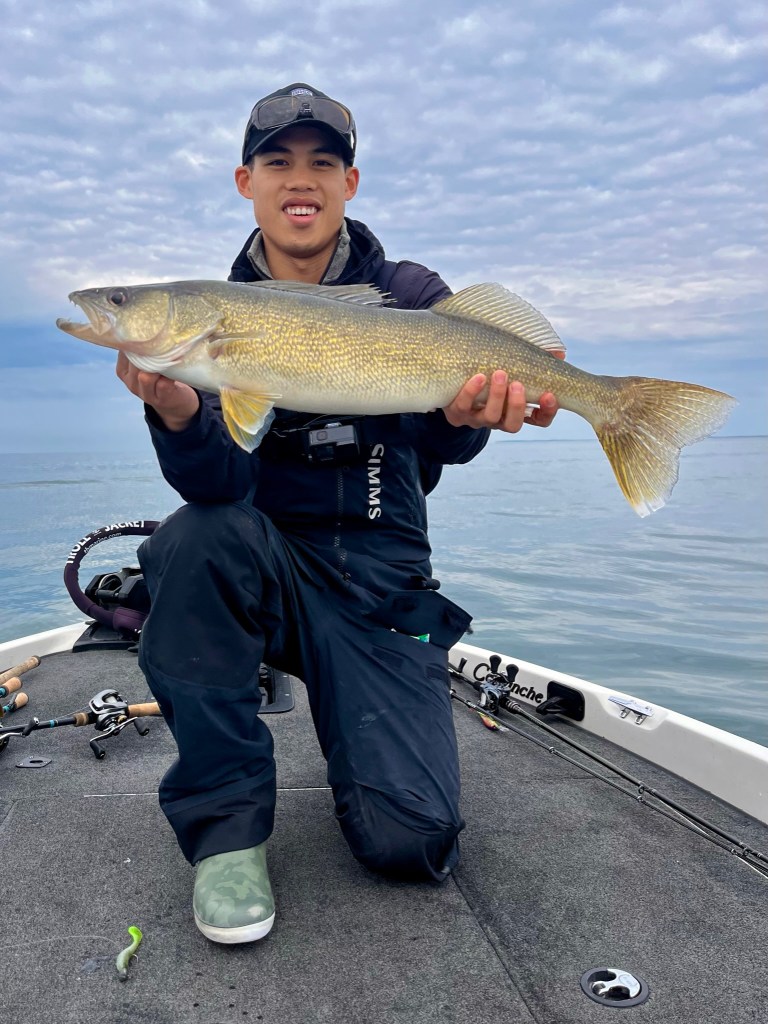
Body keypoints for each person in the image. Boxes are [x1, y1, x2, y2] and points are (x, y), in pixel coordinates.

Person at [116, 83, 559, 944]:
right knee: (193, 539)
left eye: (322, 161)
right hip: (268, 567)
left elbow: (448, 448)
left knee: (412, 841)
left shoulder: (409, 291)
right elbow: (214, 486)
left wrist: (472, 416)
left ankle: (361, 708)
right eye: (278, 162)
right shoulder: (217, 313)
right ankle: (226, 837)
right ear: (245, 180)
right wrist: (174, 413)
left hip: (380, 583)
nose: (300, 179)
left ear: (350, 183)